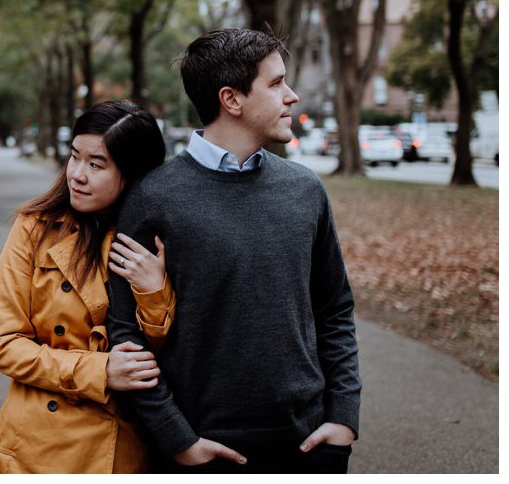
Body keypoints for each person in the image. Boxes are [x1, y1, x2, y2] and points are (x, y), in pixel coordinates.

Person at [106, 28, 361, 473]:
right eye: (277, 83)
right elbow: (125, 332)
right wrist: (176, 439)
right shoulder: (152, 199)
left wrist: (343, 418)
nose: (292, 96)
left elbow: (334, 308)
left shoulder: (305, 190)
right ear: (232, 99)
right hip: (200, 451)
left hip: (309, 445)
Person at [0, 101, 172, 473]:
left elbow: (167, 357)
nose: (77, 175)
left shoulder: (156, 240)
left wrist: (153, 292)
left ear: (133, 173)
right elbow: (4, 344)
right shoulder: (34, 228)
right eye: (74, 157)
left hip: (118, 446)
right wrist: (98, 372)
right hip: (35, 444)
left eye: (96, 164)